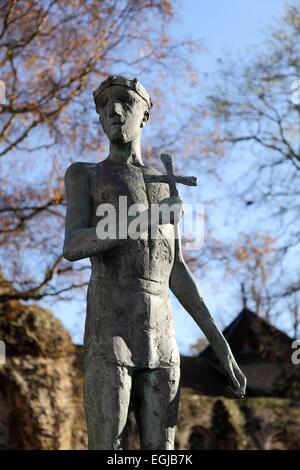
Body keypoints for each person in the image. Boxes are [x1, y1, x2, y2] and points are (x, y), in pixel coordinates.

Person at [63, 75, 246, 450]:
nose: (114, 111)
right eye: (105, 105)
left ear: (144, 115)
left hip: (162, 336)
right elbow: (75, 243)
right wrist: (146, 217)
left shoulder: (165, 185)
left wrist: (221, 346)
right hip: (109, 328)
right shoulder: (86, 174)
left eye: (125, 103)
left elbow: (175, 269)